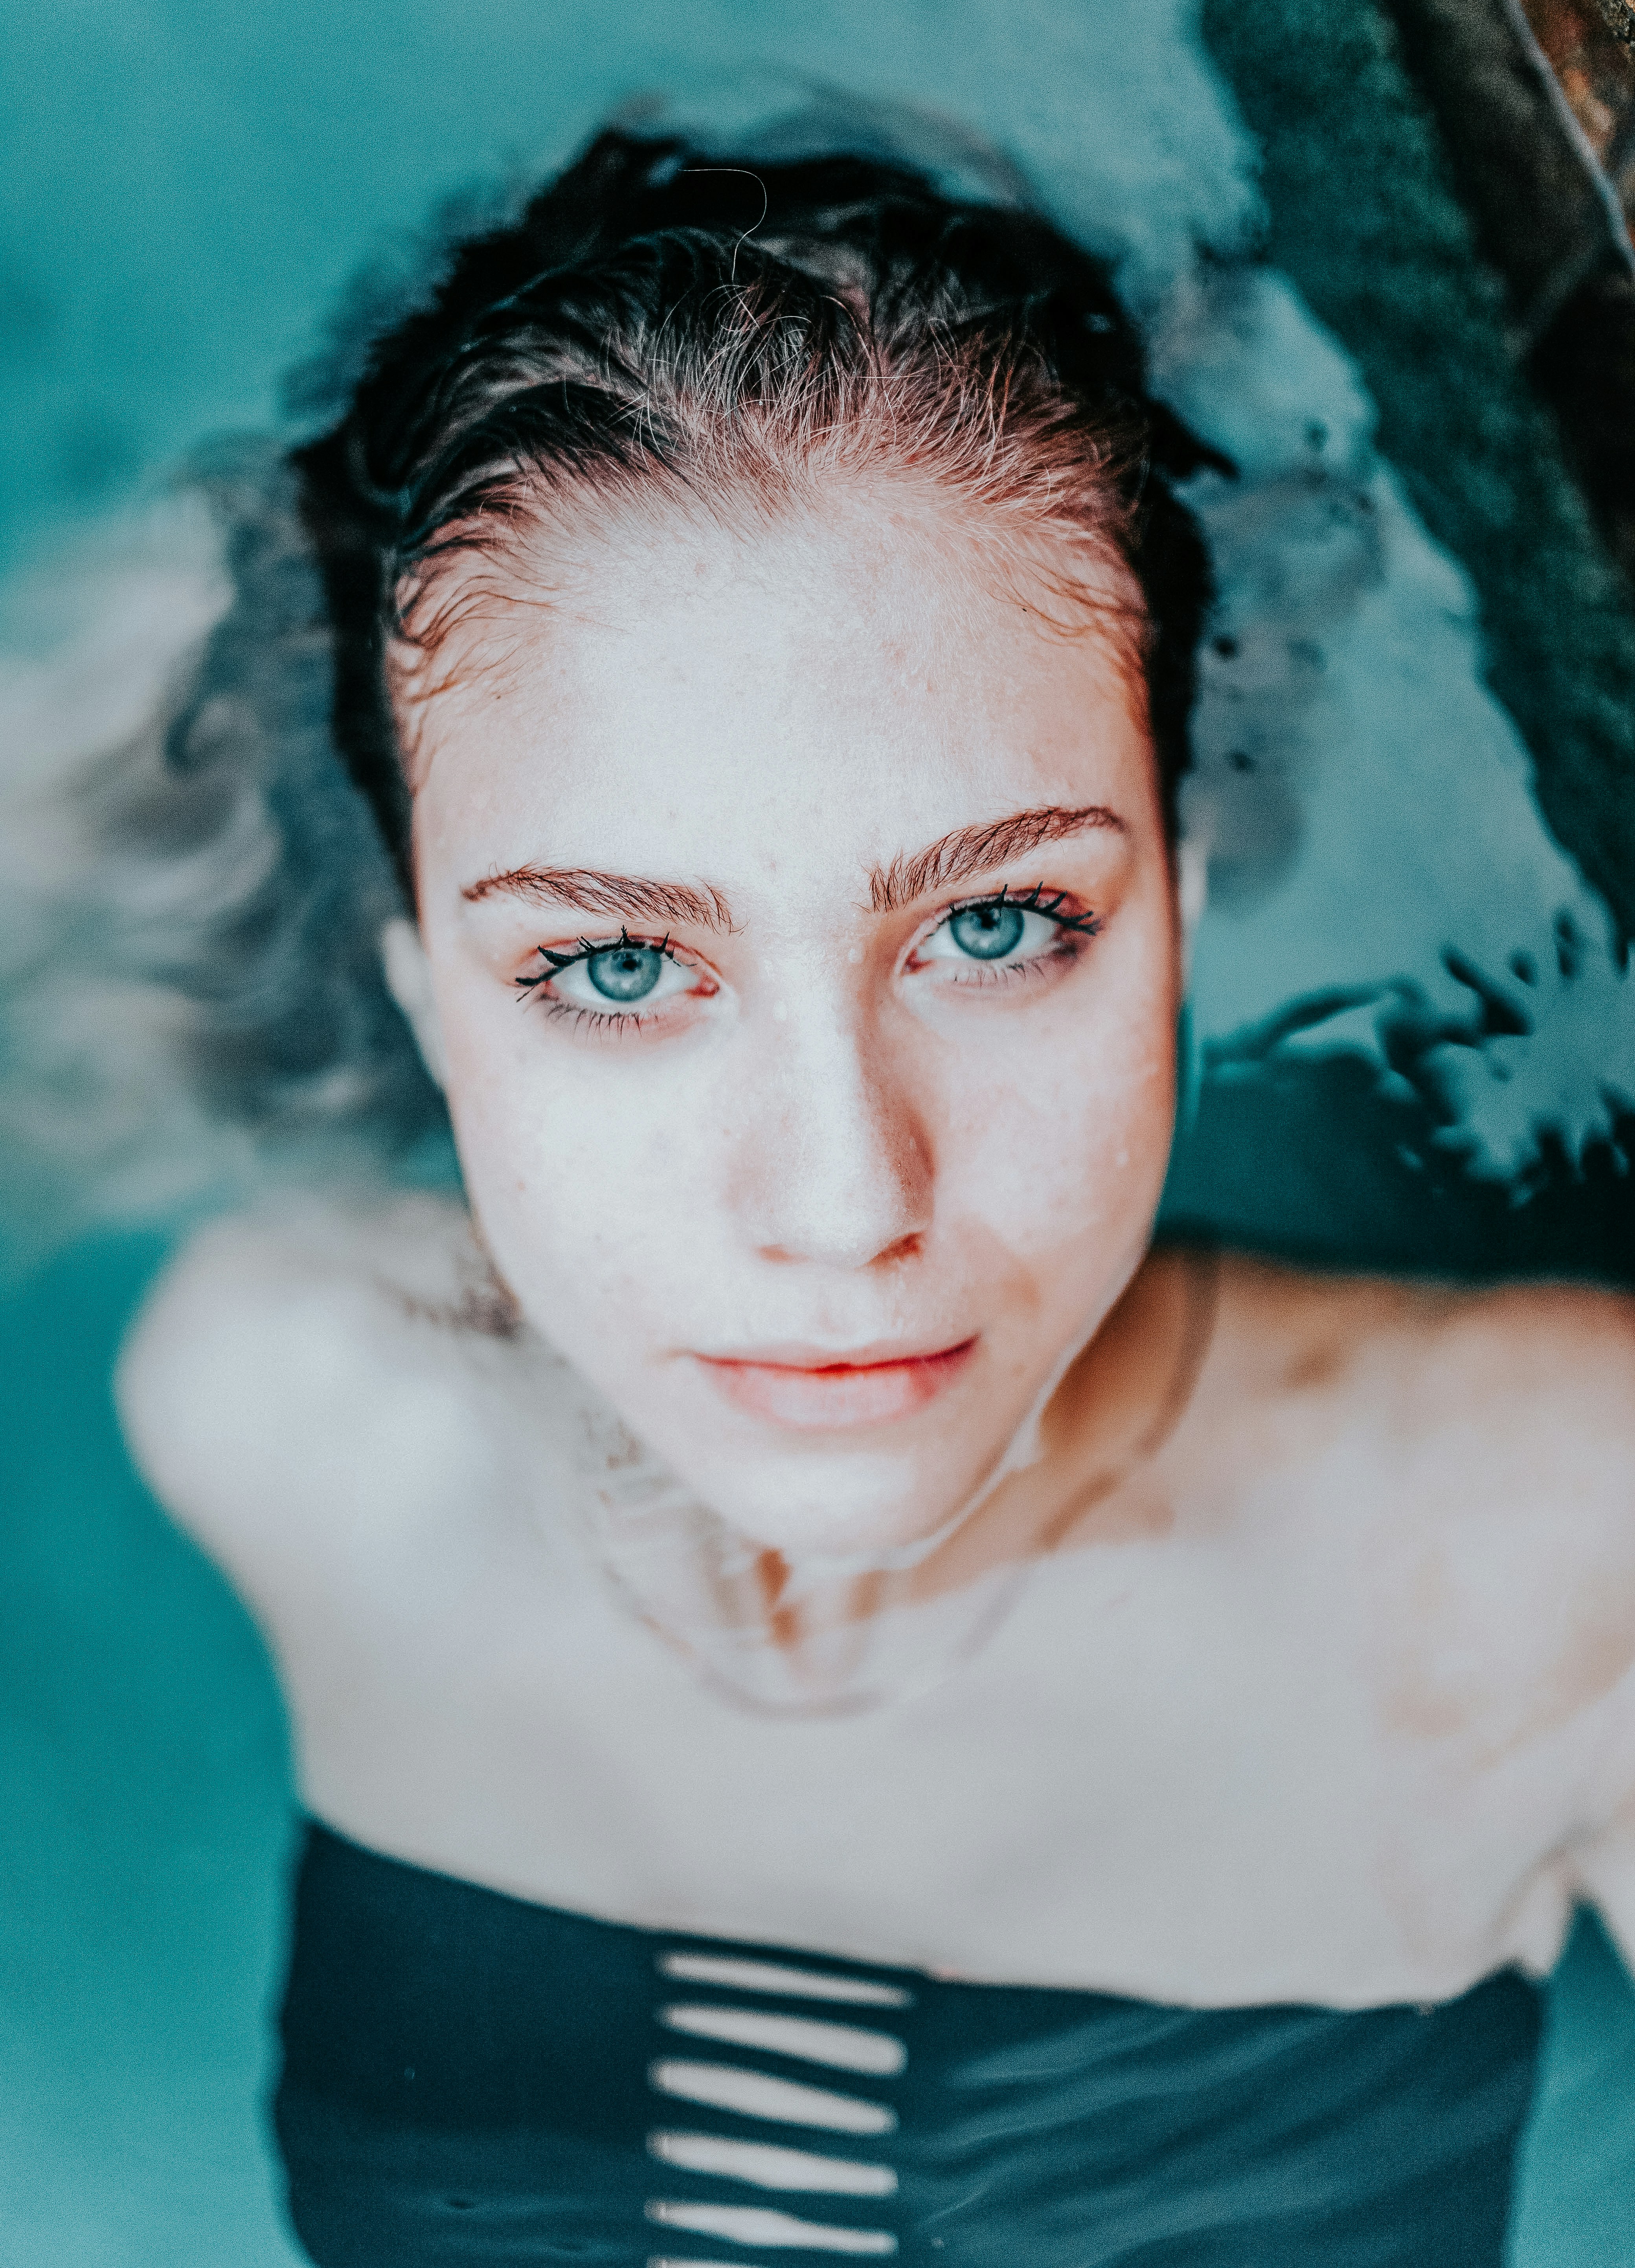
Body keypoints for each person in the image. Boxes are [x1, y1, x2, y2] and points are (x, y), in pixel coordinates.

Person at [107, 128, 1635, 2266]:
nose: (846, 1203)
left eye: (1000, 929)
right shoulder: (292, 1420)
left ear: (1183, 920)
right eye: (618, 968)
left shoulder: (1545, 1542)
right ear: (430, 1006)